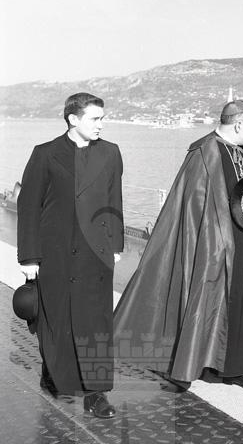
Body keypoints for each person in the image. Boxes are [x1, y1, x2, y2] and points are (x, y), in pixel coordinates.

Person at [114, 100, 243, 390]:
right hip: (213, 244)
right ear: (238, 124)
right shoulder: (204, 153)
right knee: (204, 300)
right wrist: (213, 242)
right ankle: (183, 367)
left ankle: (235, 368)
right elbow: (192, 205)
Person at [17, 92, 124, 418]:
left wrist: (115, 245)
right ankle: (54, 373)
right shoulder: (46, 154)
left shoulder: (110, 152)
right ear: (73, 119)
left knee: (96, 323)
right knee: (57, 320)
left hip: (95, 254)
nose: (101, 125)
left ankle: (96, 393)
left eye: (102, 118)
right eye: (95, 119)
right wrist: (29, 257)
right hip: (55, 253)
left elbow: (114, 200)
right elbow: (29, 206)